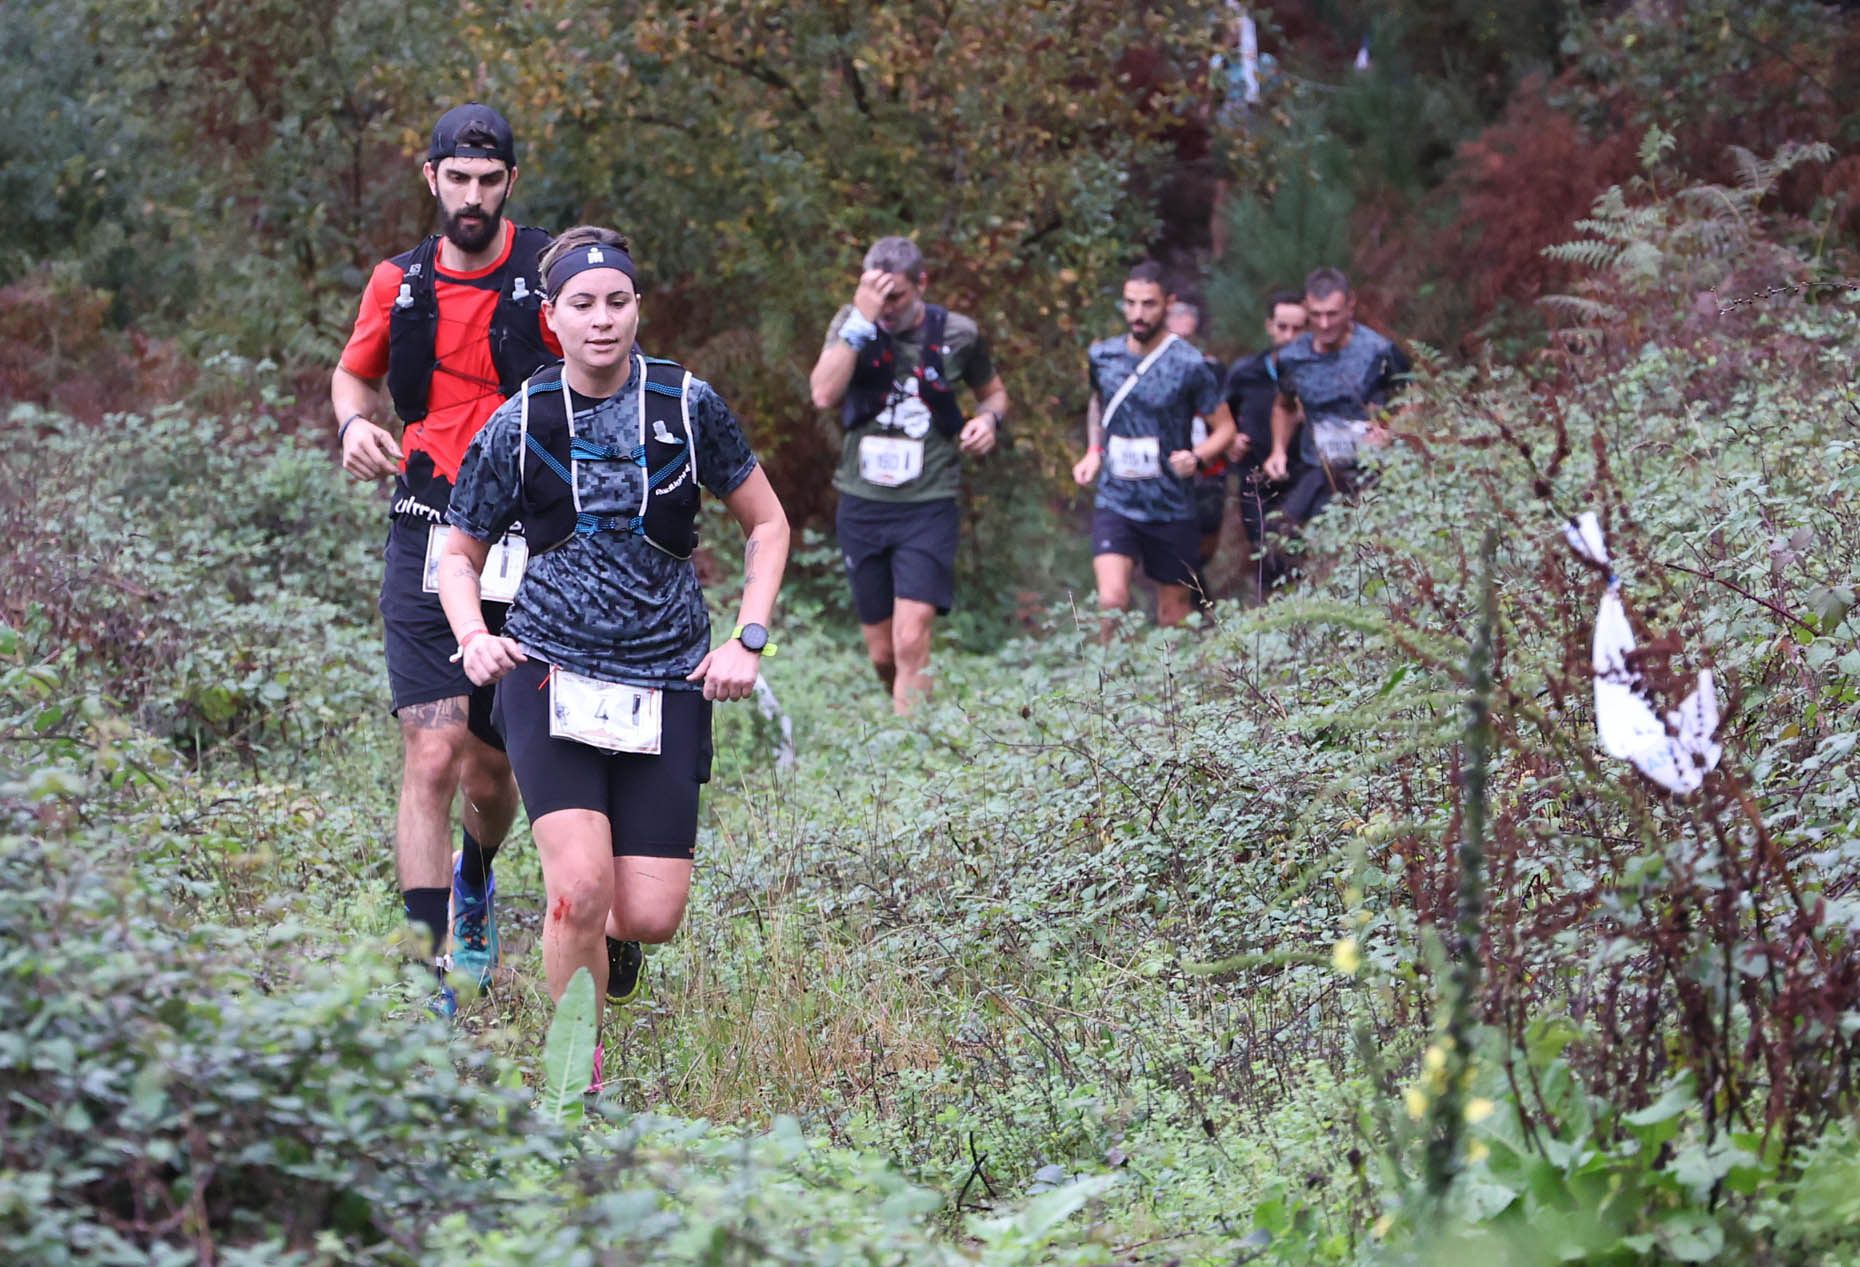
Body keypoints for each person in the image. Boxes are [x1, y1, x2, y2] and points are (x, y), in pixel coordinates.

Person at [438, 226, 789, 1083]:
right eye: (583, 306)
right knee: (576, 892)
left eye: (618, 303)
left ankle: (609, 947)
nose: (603, 321)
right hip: (549, 670)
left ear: (640, 308)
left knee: (649, 913)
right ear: (552, 318)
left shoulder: (687, 406)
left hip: (666, 678)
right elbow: (458, 552)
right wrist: (474, 635)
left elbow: (768, 523)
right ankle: (574, 1083)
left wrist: (748, 636)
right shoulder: (519, 422)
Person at [331, 103, 559, 1011]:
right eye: (455, 179)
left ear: (509, 182)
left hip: (524, 541)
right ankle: (425, 963)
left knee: (489, 770)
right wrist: (354, 420)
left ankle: (476, 874)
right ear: (430, 178)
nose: (471, 196)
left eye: (488, 180)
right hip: (425, 524)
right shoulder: (398, 281)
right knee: (432, 750)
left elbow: (602, 363)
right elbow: (355, 370)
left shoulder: (547, 273)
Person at [808, 237, 1009, 715]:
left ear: (922, 283)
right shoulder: (852, 323)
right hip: (862, 503)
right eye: (873, 293)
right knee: (882, 653)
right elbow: (822, 394)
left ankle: (910, 758)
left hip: (928, 504)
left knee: (910, 637)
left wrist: (987, 421)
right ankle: (906, 711)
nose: (885, 307)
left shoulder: (957, 333)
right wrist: (860, 318)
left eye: (894, 295)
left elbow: (994, 394)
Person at [1071, 261, 1237, 629]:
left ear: (1168, 303)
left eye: (1148, 304)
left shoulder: (1191, 364)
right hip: (1117, 499)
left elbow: (1224, 429)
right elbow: (1100, 403)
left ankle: (1170, 685)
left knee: (1173, 615)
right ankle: (1106, 682)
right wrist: (1093, 451)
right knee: (1111, 601)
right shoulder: (1104, 356)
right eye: (1130, 303)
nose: (1137, 314)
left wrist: (1197, 456)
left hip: (1171, 505)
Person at [1262, 267, 1411, 530]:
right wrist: (1278, 450)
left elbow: (1414, 398)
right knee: (1282, 535)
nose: (1324, 324)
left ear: (1350, 305)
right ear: (1306, 307)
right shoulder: (1291, 357)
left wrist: (1391, 430)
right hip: (1317, 469)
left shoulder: (1379, 350)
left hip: (1372, 470)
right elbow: (1284, 405)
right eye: (1316, 314)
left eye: (1332, 314)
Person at [1223, 288, 1308, 595]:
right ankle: (1273, 623)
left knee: (1302, 549)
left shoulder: (1319, 369)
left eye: (1298, 328)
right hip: (1256, 478)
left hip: (1306, 473)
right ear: (1269, 326)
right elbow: (1220, 418)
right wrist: (1232, 438)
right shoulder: (1245, 372)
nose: (1289, 336)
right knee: (1266, 552)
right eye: (1282, 327)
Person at [1164, 297, 1231, 575]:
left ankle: (1196, 593)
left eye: (1187, 337)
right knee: (1172, 542)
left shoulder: (1211, 369)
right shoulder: (1149, 373)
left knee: (1205, 542)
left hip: (1208, 468)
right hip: (1165, 470)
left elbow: (1229, 417)